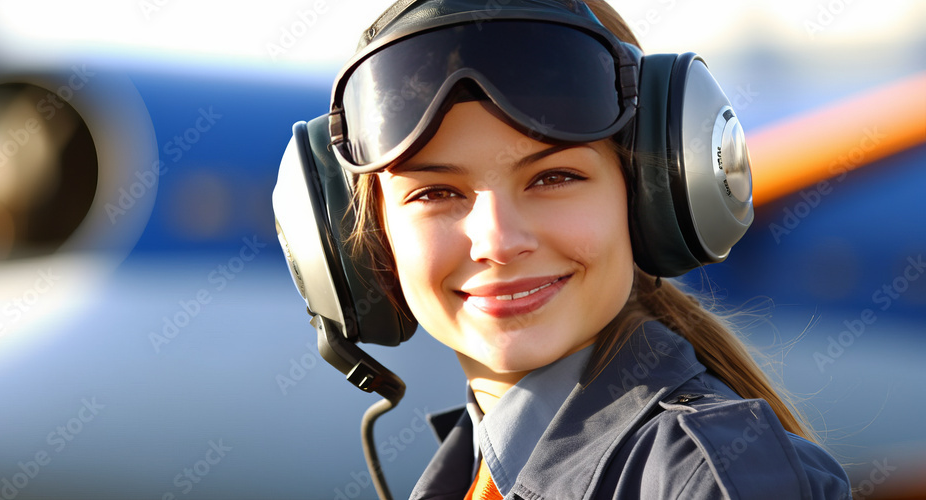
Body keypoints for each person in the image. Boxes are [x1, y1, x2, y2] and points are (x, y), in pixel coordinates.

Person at [273, 0, 853, 498]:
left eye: (553, 178)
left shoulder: (712, 480)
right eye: (436, 192)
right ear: (367, 240)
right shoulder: (471, 474)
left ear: (649, 199)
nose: (498, 242)